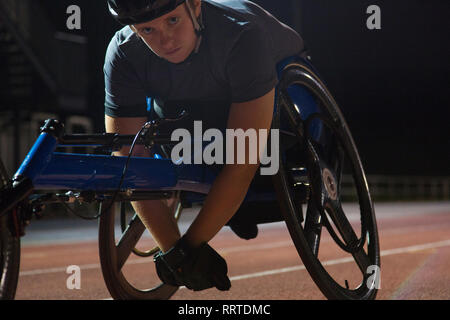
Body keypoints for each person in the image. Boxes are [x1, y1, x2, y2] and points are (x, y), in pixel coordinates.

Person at [104, 0, 306, 291]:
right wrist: (175, 250)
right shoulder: (123, 53)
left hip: (280, 83)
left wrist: (189, 246)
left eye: (173, 21)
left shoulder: (242, 35)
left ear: (195, 5)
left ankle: (241, 208)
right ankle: (235, 208)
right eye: (147, 29)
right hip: (194, 108)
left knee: (255, 151)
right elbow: (130, 163)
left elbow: (241, 164)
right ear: (133, 28)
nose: (165, 39)